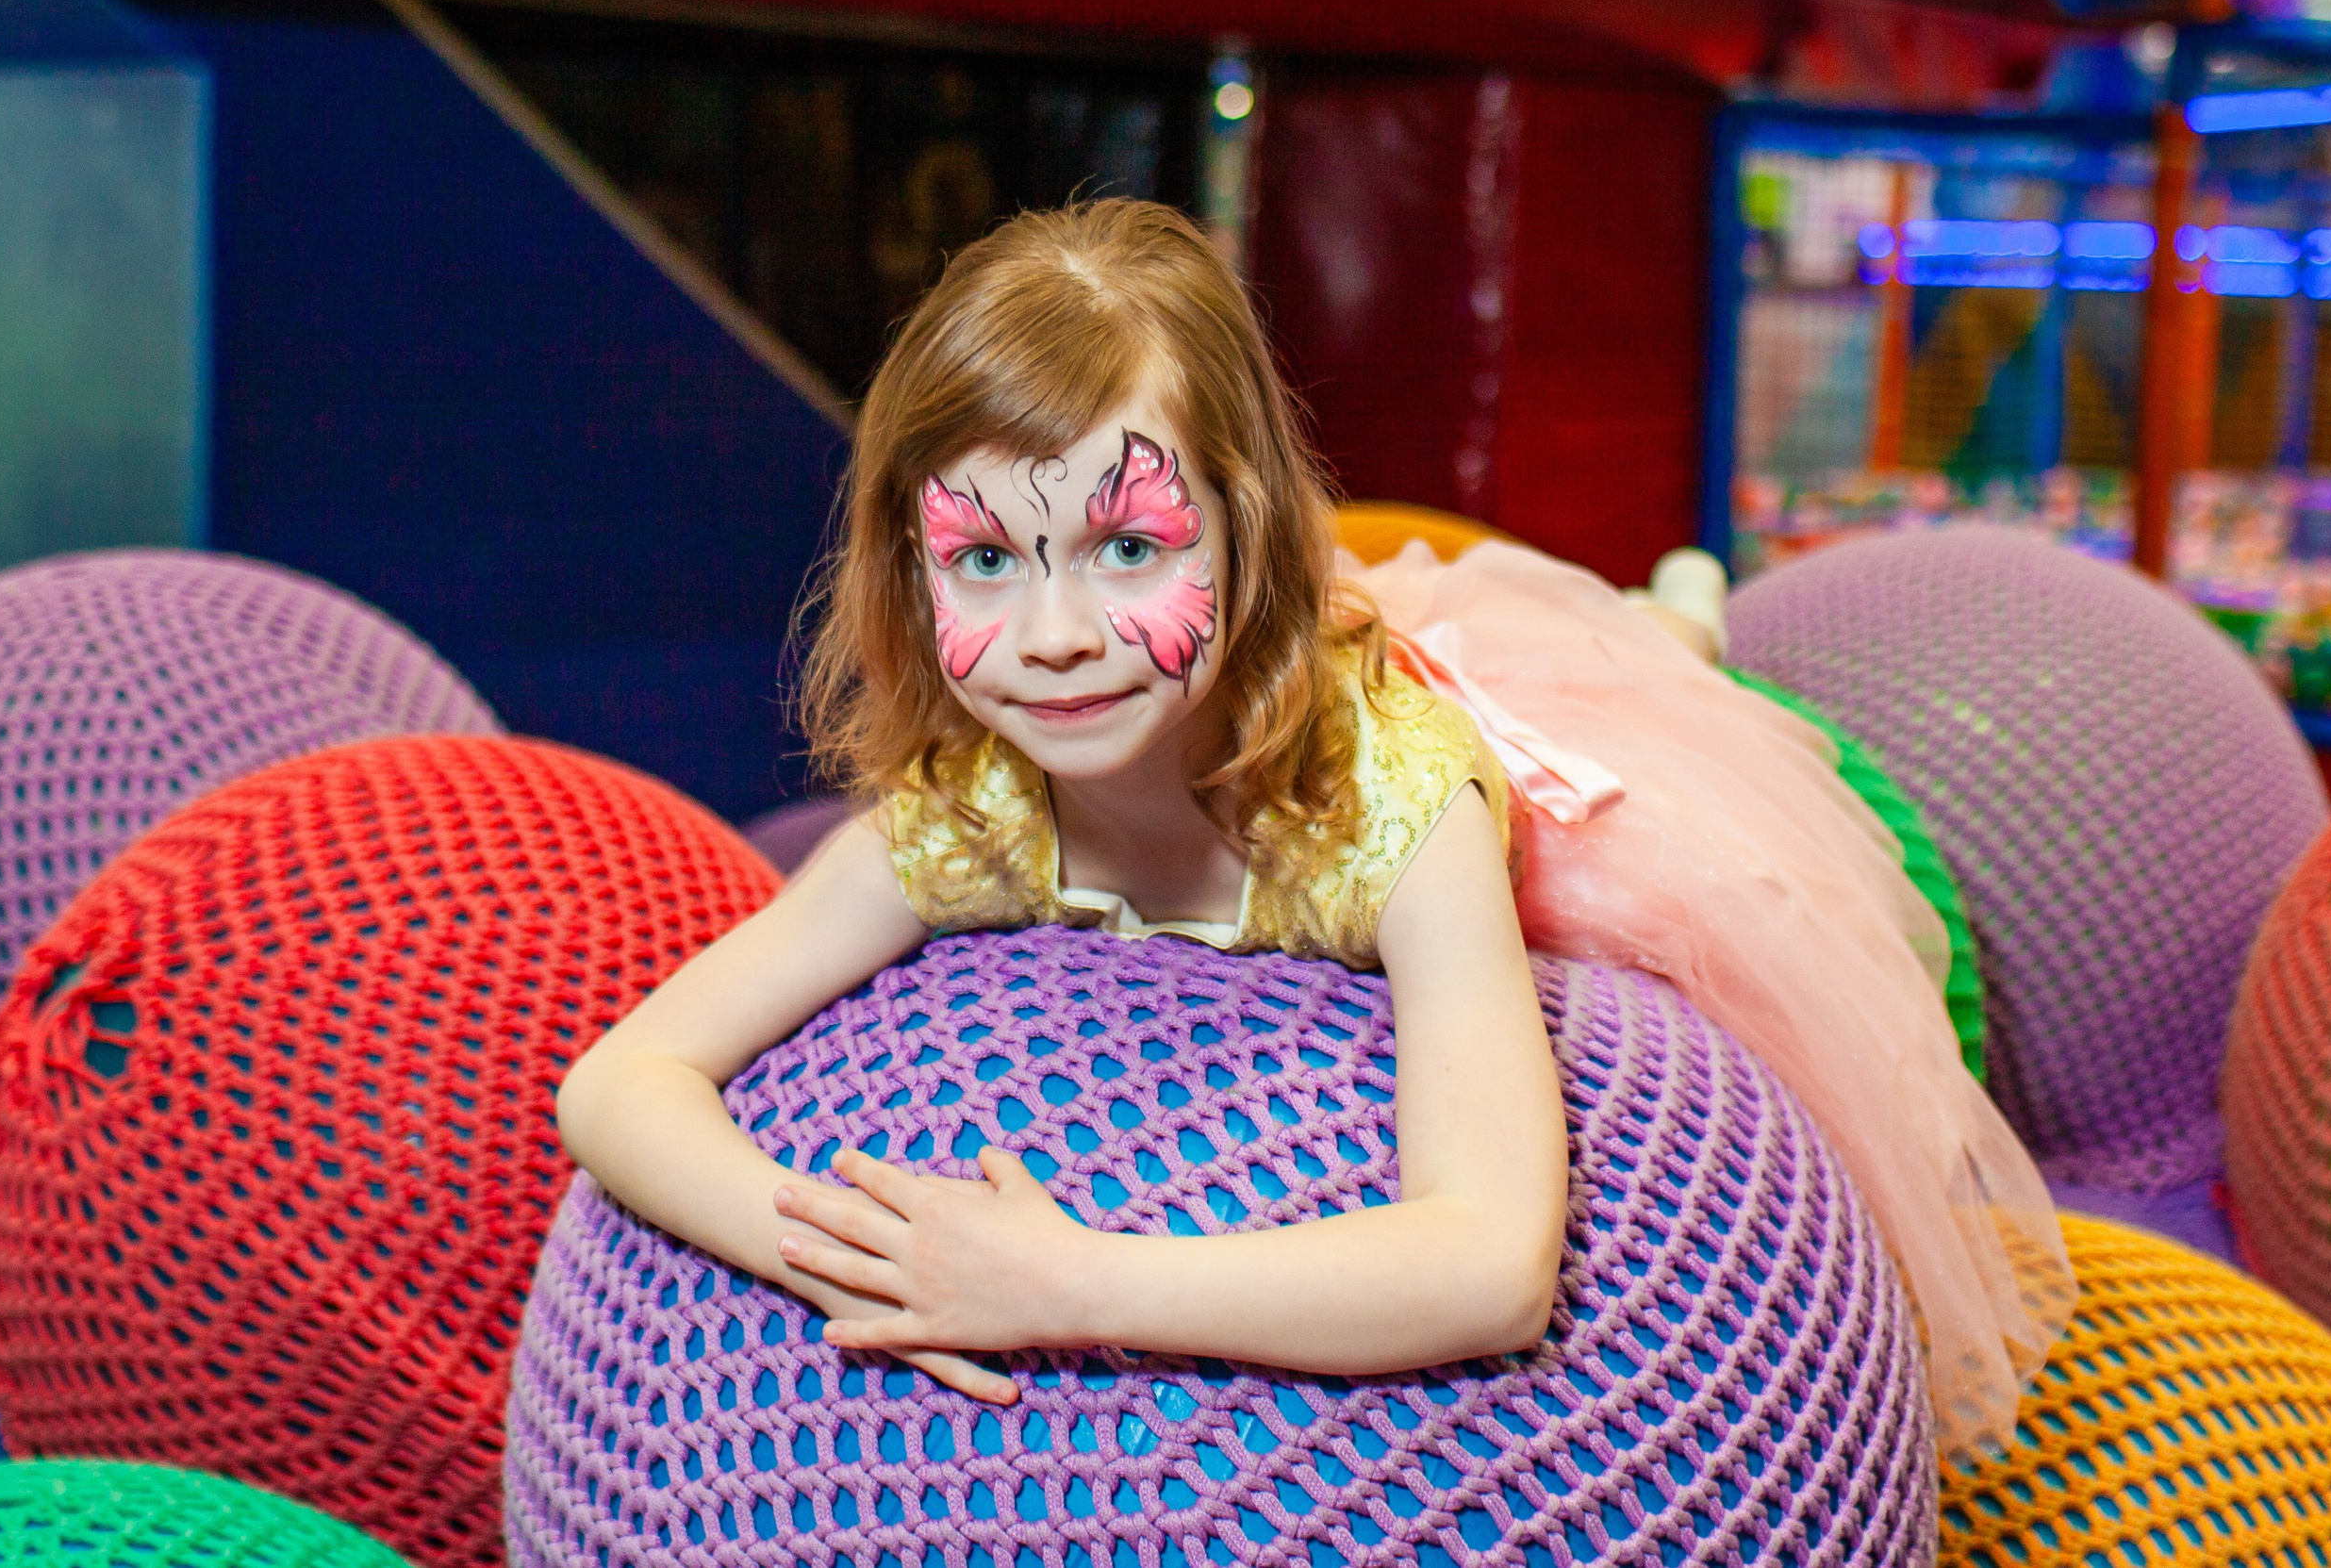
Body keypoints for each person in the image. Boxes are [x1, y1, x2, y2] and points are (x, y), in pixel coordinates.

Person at [556, 199, 2068, 1459]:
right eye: (988, 559)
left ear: (1248, 526)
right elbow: (621, 1081)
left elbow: (1490, 1264)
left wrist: (1061, 1276)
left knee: (1635, 671)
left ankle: (1683, 615)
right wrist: (841, 1245)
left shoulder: (1403, 816)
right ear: (907, 565)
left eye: (1129, 544)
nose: (1060, 632)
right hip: (1270, 654)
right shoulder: (968, 817)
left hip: (1468, 731)